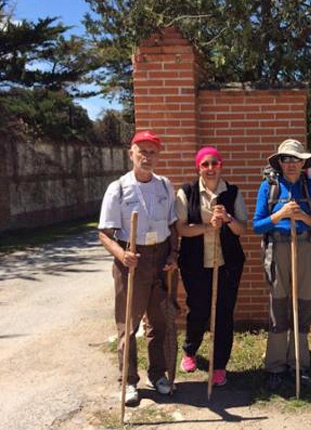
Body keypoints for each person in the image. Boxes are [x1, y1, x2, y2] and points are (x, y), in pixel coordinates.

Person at [98, 130, 179, 405]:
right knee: (129, 324)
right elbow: (104, 233)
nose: (147, 156)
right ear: (131, 154)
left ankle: (157, 375)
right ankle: (129, 381)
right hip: (132, 260)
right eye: (142, 151)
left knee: (159, 321)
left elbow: (172, 225)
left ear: (158, 155)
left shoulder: (165, 186)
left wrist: (174, 253)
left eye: (152, 151)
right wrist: (123, 255)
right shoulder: (118, 188)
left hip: (161, 258)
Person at [253, 139, 311, 390]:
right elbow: (257, 226)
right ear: (280, 163)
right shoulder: (269, 187)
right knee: (278, 304)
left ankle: (299, 364)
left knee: (303, 303)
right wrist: (280, 215)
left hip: (305, 247)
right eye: (286, 159)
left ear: (303, 163)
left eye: (296, 159)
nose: (291, 164)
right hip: (278, 249)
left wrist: (303, 216)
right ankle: (275, 366)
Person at [175, 146, 247, 387]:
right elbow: (181, 229)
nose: (210, 168)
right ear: (198, 167)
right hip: (195, 263)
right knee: (198, 310)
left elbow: (242, 229)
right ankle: (190, 351)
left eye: (214, 163)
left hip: (227, 264)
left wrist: (228, 219)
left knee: (224, 314)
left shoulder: (233, 192)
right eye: (205, 164)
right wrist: (208, 227)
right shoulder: (187, 192)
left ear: (220, 166)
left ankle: (219, 366)